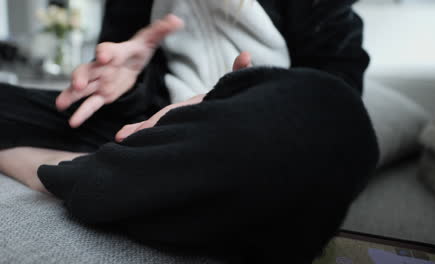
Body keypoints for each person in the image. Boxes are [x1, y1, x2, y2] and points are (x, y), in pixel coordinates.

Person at [0, 0, 379, 263]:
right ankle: (109, 175)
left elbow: (336, 83)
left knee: (335, 113)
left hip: (248, 123)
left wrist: (233, 94)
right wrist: (125, 81)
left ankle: (67, 171)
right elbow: (133, 103)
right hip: (154, 128)